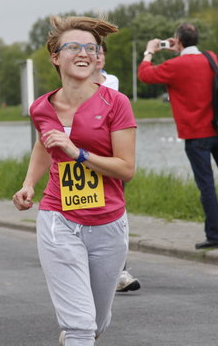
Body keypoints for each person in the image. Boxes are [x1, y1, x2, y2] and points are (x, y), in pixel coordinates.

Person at [13, 16, 136, 346]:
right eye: (74, 47)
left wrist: (78, 153)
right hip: (58, 217)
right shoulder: (41, 106)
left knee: (97, 319)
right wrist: (29, 184)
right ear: (55, 56)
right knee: (79, 324)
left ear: (98, 57)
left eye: (91, 48)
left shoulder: (117, 103)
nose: (84, 54)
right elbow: (44, 142)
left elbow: (126, 168)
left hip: (109, 221)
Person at [138, 22, 218, 249]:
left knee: (206, 184)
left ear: (177, 41)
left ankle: (215, 236)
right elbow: (194, 61)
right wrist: (180, 47)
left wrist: (150, 51)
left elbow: (144, 74)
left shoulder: (175, 66)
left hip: (195, 134)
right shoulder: (211, 57)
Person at [91, 43, 141, 293]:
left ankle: (119, 271)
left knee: (115, 213)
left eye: (100, 52)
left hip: (111, 162)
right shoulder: (72, 87)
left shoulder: (112, 83)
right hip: (84, 163)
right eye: (92, 52)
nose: (96, 56)